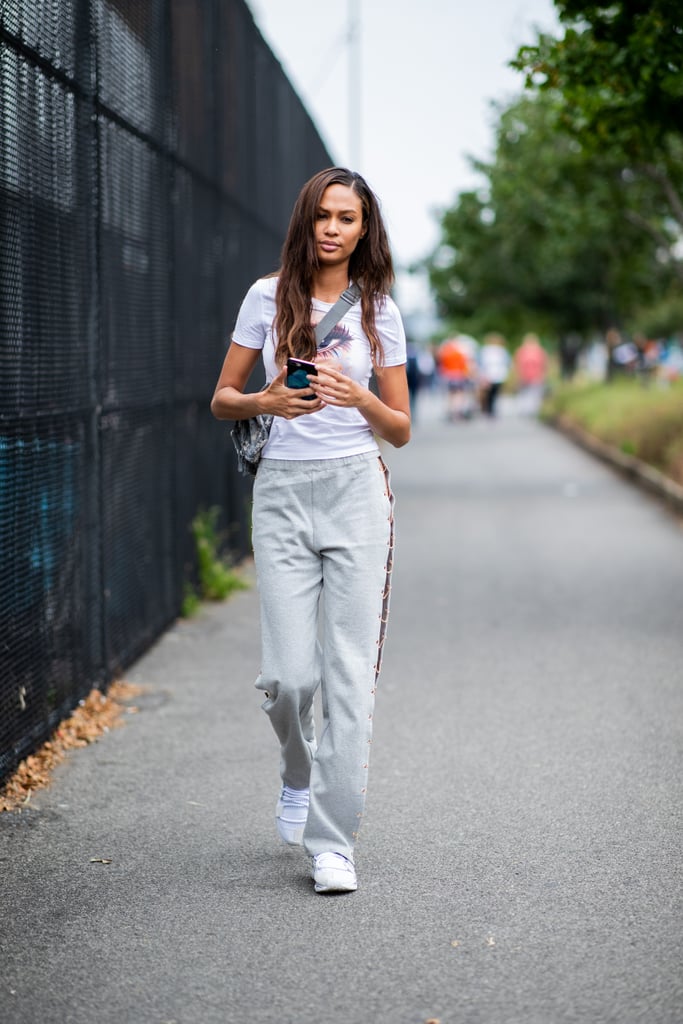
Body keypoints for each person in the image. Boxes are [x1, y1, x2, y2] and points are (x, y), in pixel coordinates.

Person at [211, 167, 410, 895]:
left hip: (356, 489)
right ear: (306, 220)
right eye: (323, 215)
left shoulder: (378, 312)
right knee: (288, 679)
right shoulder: (265, 296)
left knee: (348, 677)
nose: (333, 228)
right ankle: (296, 768)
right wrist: (266, 398)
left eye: (347, 218)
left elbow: (400, 429)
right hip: (284, 494)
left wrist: (357, 395)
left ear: (364, 229)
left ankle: (332, 843)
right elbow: (221, 400)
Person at [513, 332, 548, 415]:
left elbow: (544, 364)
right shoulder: (522, 351)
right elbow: (517, 364)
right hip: (525, 375)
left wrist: (543, 374)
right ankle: (525, 409)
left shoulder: (539, 351)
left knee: (534, 393)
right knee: (525, 393)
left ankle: (533, 410)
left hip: (536, 375)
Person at [478, 332, 510, 417]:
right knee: (494, 393)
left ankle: (489, 409)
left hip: (488, 375)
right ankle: (491, 409)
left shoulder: (485, 350)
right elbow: (507, 363)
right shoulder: (502, 351)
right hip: (497, 375)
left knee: (488, 393)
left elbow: (480, 363)